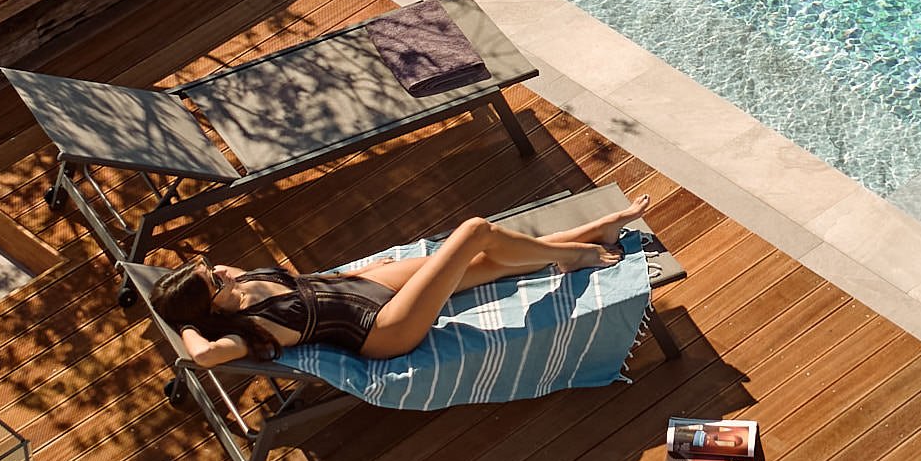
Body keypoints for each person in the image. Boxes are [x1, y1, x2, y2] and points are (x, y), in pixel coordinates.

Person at [152, 194, 651, 366]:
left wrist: (360, 273)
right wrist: (190, 325)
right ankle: (578, 253)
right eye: (210, 278)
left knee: (487, 261)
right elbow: (204, 355)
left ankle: (591, 233)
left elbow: (298, 283)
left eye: (207, 265)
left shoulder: (236, 283)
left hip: (361, 287)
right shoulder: (243, 330)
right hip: (383, 329)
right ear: (210, 306)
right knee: (474, 232)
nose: (218, 268)